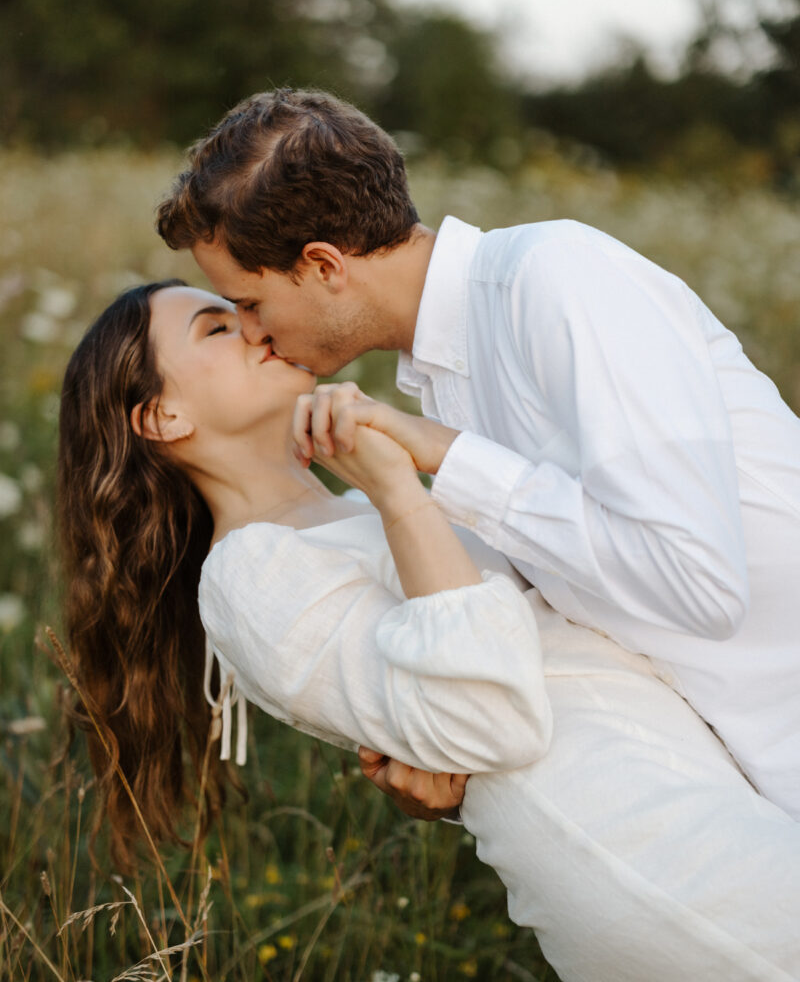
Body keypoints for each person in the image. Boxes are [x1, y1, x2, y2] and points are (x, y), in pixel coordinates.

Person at [58, 281, 800, 982]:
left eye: (245, 309)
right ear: (160, 419)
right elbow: (489, 722)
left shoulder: (344, 511)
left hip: (696, 799)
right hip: (642, 851)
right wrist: (402, 493)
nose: (254, 329)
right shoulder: (249, 581)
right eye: (217, 327)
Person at [155, 87, 800, 831]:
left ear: (324, 265)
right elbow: (582, 605)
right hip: (753, 783)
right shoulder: (445, 377)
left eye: (251, 303)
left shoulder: (556, 279)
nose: (253, 336)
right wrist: (451, 762)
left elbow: (702, 586)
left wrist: (450, 459)